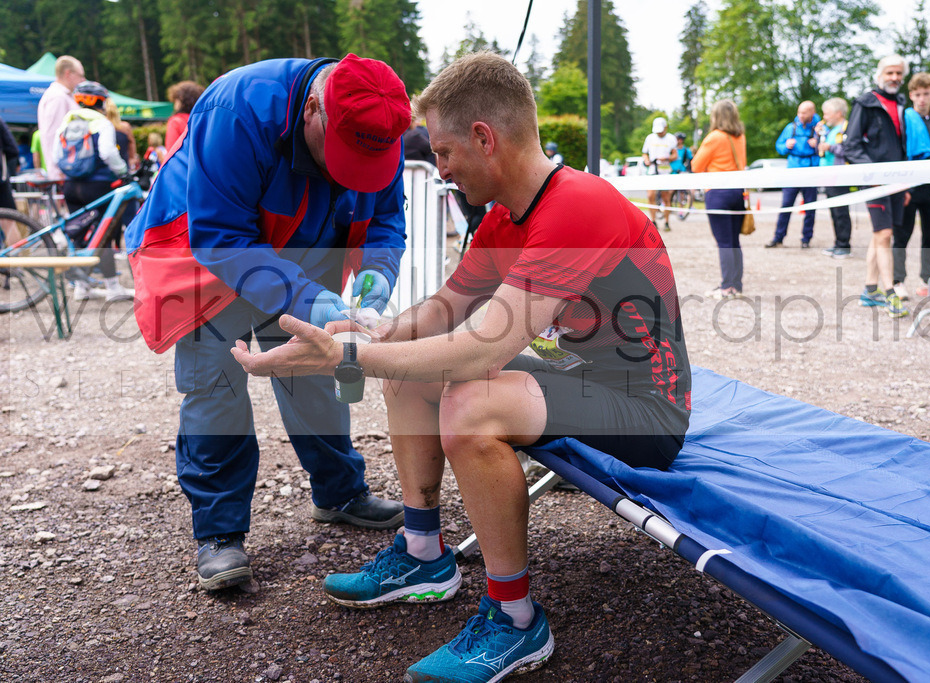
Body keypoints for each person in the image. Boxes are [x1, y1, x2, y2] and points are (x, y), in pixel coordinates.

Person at [230, 51, 691, 683]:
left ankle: (516, 621)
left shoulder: (578, 205)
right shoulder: (507, 215)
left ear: (484, 138)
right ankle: (423, 552)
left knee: (471, 403)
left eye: (443, 153)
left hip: (648, 410)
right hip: (586, 380)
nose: (440, 170)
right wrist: (372, 330)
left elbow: (480, 349)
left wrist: (345, 356)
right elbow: (449, 306)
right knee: (410, 373)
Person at [124, 55, 410, 592]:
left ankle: (339, 492)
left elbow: (388, 218)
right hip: (212, 249)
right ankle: (219, 533)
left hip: (311, 236)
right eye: (341, 157)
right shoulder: (238, 108)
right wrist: (308, 297)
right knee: (216, 383)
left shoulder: (382, 121)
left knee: (316, 375)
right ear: (311, 111)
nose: (347, 173)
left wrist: (378, 272)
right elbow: (219, 234)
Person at [844, 55, 930, 319]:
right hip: (874, 182)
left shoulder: (901, 103)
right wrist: (872, 173)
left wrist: (904, 185)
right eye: (889, 73)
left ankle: (870, 292)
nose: (894, 77)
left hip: (897, 181)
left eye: (898, 73)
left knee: (880, 235)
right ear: (880, 74)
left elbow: (902, 147)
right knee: (884, 235)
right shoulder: (865, 102)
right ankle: (890, 293)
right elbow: (851, 145)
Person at [53, 81, 132, 303]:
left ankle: (82, 287)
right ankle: (113, 286)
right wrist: (123, 171)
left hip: (71, 186)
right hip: (98, 186)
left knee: (79, 232)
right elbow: (107, 152)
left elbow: (54, 154)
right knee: (103, 234)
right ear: (100, 101)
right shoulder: (101, 122)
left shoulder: (66, 122)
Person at [895, 72, 930, 299]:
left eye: (926, 93)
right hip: (907, 187)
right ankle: (897, 280)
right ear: (911, 95)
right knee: (901, 234)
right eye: (917, 94)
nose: (922, 99)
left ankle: (929, 278)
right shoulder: (904, 120)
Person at [692, 100, 747, 299]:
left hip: (718, 192)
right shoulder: (739, 137)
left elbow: (696, 166)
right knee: (734, 241)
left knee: (723, 242)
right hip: (737, 192)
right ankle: (736, 286)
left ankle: (725, 288)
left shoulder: (714, 137)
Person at [765, 101, 819, 248]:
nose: (800, 115)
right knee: (786, 206)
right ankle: (778, 237)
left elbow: (827, 148)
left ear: (812, 113)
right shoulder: (791, 128)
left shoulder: (819, 128)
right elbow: (779, 146)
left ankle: (806, 239)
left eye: (804, 113)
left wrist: (818, 143)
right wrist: (785, 146)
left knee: (810, 208)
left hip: (810, 172)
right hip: (793, 171)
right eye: (799, 112)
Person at [816, 98, 853, 259]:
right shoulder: (830, 130)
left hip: (840, 176)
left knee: (841, 212)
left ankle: (844, 245)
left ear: (838, 113)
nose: (825, 117)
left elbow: (849, 150)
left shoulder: (847, 128)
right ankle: (838, 242)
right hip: (828, 176)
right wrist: (819, 136)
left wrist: (830, 147)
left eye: (827, 113)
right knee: (834, 211)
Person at [36, 55, 85, 176]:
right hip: (65, 171)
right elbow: (52, 135)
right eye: (80, 75)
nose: (83, 80)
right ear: (68, 73)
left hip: (67, 168)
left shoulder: (62, 96)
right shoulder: (58, 97)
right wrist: (58, 171)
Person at [641, 116, 678, 231]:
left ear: (665, 128)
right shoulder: (650, 138)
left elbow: (675, 155)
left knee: (666, 197)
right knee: (650, 195)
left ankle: (667, 222)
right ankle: (653, 221)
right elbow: (644, 153)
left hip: (664, 169)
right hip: (652, 169)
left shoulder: (671, 139)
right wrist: (646, 160)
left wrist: (666, 158)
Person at [164, 80, 205, 150]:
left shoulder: (176, 122)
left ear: (181, 100)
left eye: (176, 99)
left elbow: (171, 150)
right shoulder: (202, 119)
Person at [104, 97, 139, 170]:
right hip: (124, 165)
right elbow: (132, 143)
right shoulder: (125, 127)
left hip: (107, 167)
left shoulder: (102, 126)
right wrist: (132, 158)